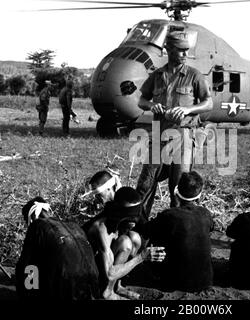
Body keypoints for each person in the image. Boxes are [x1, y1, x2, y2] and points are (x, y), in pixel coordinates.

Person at [136, 31, 213, 220]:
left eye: (187, 50)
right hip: (159, 134)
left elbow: (209, 102)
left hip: (183, 135)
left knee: (178, 188)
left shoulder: (194, 75)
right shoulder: (157, 75)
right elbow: (142, 100)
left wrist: (188, 110)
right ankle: (140, 227)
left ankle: (176, 227)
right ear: (168, 49)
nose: (185, 54)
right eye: (180, 50)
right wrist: (151, 105)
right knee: (146, 183)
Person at [82, 186, 165, 300]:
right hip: (89, 271)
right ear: (120, 212)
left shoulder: (121, 221)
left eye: (136, 215)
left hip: (105, 262)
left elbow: (147, 232)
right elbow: (110, 274)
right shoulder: (101, 228)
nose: (135, 220)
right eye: (131, 216)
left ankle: (117, 286)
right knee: (125, 243)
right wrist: (141, 257)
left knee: (134, 238)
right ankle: (107, 292)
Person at [140, 171, 214, 292]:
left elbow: (146, 230)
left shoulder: (168, 215)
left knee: (157, 234)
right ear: (199, 196)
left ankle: (157, 272)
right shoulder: (205, 213)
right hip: (205, 281)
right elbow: (210, 228)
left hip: (174, 282)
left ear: (177, 193)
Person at [16, 197, 101, 300]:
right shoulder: (74, 225)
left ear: (32, 216)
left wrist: (24, 288)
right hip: (93, 288)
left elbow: (26, 265)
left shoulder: (37, 225)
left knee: (30, 268)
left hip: (66, 289)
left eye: (27, 220)